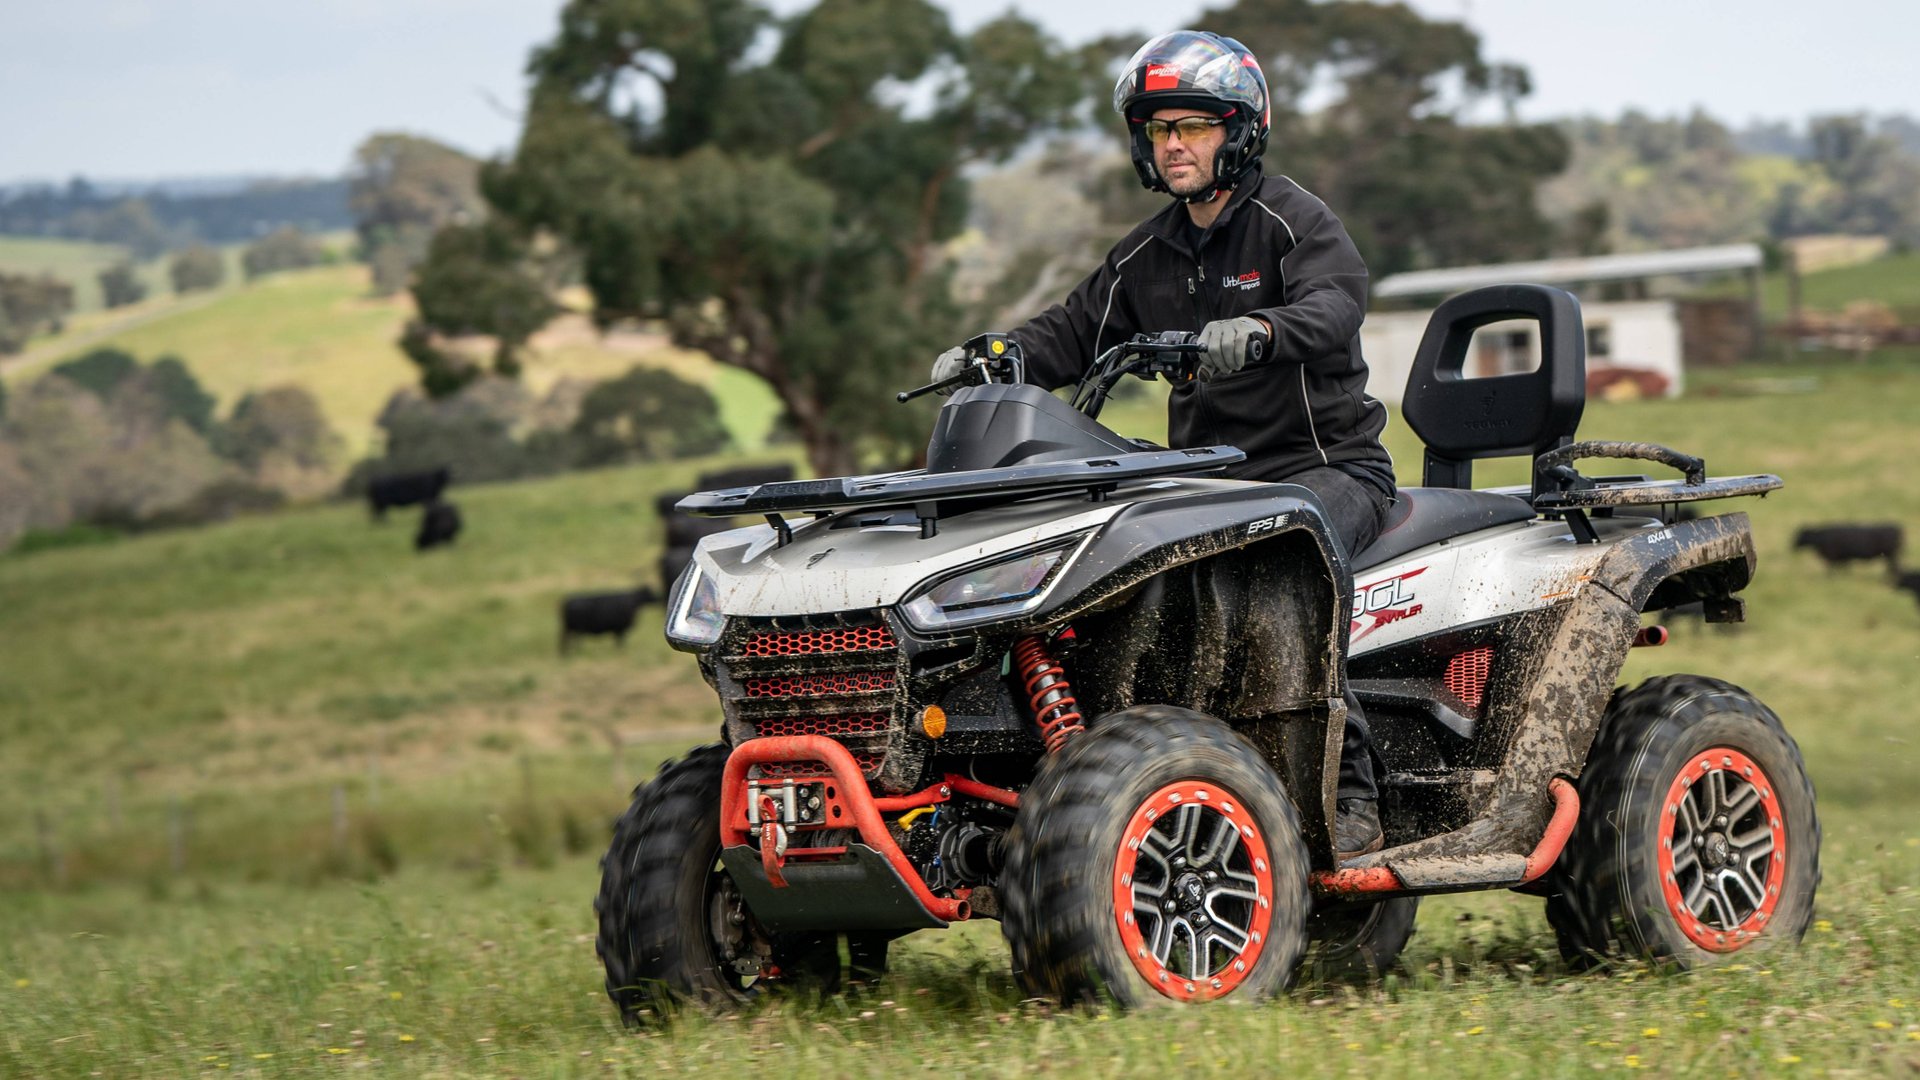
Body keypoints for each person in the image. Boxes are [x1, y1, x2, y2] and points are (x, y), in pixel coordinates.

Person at [931, 29, 1394, 860]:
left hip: (1324, 471)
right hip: (1209, 483)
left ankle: (1349, 793)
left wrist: (1260, 330)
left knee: (1288, 564)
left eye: (1193, 125)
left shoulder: (1293, 223)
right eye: (1159, 129)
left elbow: (1337, 304)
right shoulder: (1147, 253)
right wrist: (995, 356)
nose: (1174, 144)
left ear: (1241, 129)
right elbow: (1070, 332)